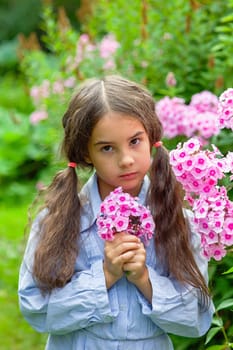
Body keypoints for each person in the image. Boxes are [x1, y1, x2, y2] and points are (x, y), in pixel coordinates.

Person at [18, 75, 214, 350]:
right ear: (86, 154)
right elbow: (37, 310)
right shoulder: (58, 223)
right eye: (107, 148)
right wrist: (105, 275)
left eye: (135, 141)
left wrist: (145, 280)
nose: (126, 160)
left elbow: (196, 317)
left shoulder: (179, 222)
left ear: (152, 137)